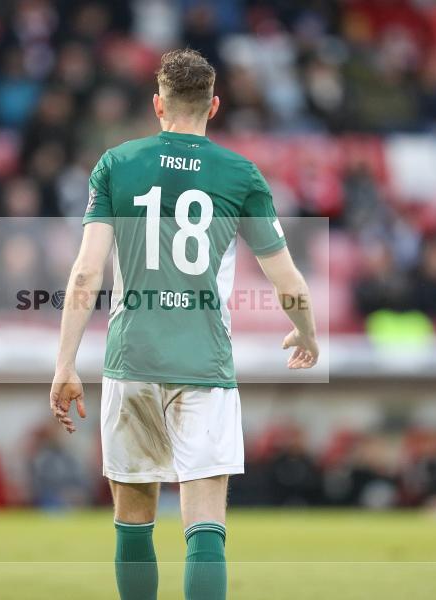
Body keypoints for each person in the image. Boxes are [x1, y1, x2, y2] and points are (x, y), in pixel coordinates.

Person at [49, 49, 319, 600]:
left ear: (157, 106)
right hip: (204, 364)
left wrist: (64, 364)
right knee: (204, 522)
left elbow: (85, 272)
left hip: (132, 361)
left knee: (133, 518)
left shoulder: (116, 165)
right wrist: (307, 332)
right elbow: (288, 281)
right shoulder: (240, 175)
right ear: (214, 106)